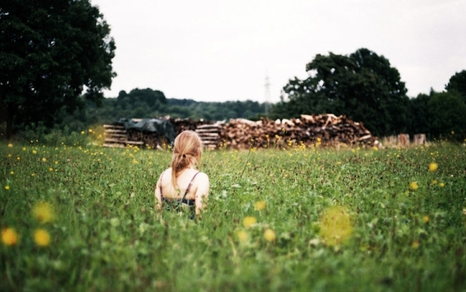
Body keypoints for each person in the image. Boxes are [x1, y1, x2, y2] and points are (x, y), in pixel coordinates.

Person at [155, 130, 210, 218]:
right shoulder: (201, 179)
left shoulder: (163, 176)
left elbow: (157, 215)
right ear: (198, 152)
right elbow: (200, 217)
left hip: (163, 231)